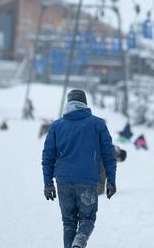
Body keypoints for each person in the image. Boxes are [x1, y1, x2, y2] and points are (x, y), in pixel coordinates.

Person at [42, 89, 117, 248]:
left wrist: (48, 183)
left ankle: (74, 244)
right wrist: (111, 180)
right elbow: (109, 155)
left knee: (69, 223)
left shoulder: (56, 126)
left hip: (63, 181)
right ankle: (79, 242)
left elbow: (47, 157)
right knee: (88, 219)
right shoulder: (98, 124)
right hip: (87, 182)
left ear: (68, 104)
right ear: (85, 103)